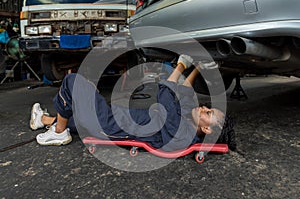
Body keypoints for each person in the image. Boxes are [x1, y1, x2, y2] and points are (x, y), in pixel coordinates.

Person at [30, 54, 236, 151]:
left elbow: (166, 90)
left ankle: (58, 134)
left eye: (208, 113)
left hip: (108, 125)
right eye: (209, 108)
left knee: (72, 82)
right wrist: (198, 67)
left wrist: (181, 65)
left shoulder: (180, 132)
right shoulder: (187, 124)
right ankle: (44, 120)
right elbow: (185, 92)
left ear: (207, 130)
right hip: (116, 118)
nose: (204, 108)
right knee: (75, 116)